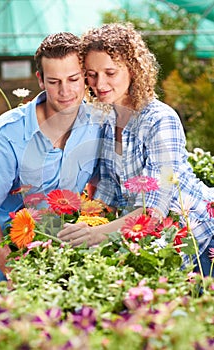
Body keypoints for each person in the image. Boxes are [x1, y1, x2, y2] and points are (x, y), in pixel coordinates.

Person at [58, 23, 214, 277]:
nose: (100, 83)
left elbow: (154, 209)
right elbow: (109, 188)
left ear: (133, 70)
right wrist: (80, 222)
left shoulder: (160, 120)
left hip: (192, 234)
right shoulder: (108, 120)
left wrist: (96, 233)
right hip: (144, 233)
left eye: (110, 72)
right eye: (92, 74)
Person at [0, 32, 106, 291]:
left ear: (85, 77)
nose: (65, 91)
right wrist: (13, 272)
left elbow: (97, 184)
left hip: (61, 261)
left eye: (73, 79)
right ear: (40, 80)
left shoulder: (96, 124)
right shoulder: (7, 134)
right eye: (54, 81)